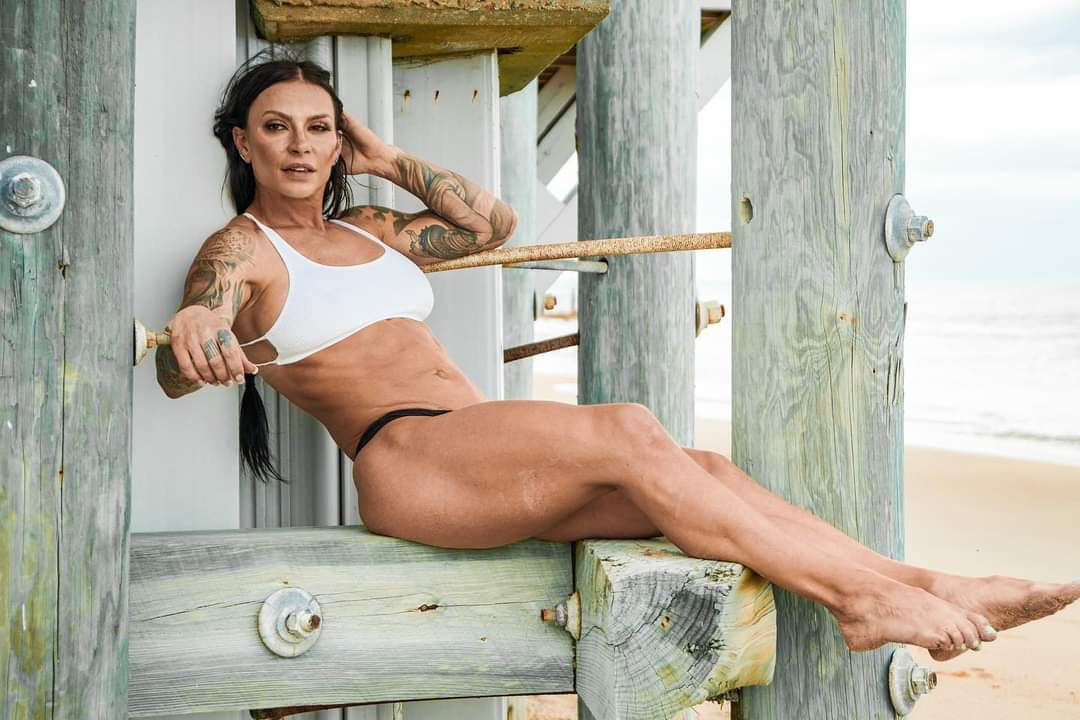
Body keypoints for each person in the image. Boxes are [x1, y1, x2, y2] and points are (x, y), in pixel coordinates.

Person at [155, 54, 1078, 660]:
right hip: (408, 457)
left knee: (703, 471)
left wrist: (387, 157)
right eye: (276, 126)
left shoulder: (371, 228)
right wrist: (197, 331)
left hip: (473, 447)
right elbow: (188, 341)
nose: (300, 145)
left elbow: (490, 224)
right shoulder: (241, 252)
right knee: (633, 429)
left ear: (338, 140)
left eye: (318, 126)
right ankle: (856, 602)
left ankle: (926, 581)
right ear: (243, 141)